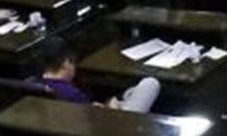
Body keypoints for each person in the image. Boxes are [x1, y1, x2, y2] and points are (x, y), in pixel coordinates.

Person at [25, 37, 160, 113]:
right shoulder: (71, 94)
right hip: (117, 125)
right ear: (66, 63)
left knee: (131, 92)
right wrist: (109, 108)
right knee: (150, 83)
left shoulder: (35, 83)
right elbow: (94, 121)